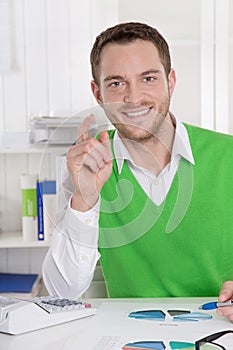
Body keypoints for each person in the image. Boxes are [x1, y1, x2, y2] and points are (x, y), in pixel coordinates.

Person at [42, 22, 233, 322]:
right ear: (98, 92)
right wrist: (85, 198)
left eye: (148, 78)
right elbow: (61, 293)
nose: (133, 98)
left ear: (170, 81)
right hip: (130, 338)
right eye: (117, 83)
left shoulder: (228, 156)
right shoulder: (87, 170)